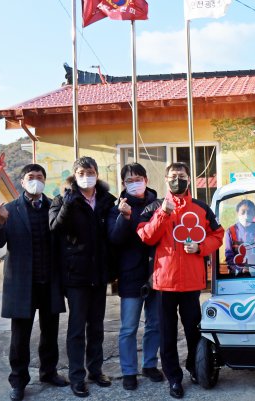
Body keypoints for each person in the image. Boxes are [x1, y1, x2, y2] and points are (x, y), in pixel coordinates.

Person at [136, 162, 224, 399]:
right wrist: (163, 213)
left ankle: (196, 368)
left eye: (182, 176)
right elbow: (146, 236)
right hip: (163, 282)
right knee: (167, 333)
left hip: (191, 282)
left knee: (194, 330)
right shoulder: (154, 206)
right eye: (173, 176)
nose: (177, 180)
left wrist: (201, 247)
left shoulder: (201, 208)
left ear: (189, 179)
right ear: (166, 180)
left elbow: (218, 234)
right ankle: (174, 378)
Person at [0, 164, 68, 401]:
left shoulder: (55, 207)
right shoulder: (9, 210)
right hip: (22, 284)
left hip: (50, 281)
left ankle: (49, 372)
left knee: (50, 332)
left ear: (45, 181)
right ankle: (18, 381)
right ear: (22, 182)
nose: (36, 181)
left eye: (40, 177)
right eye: (31, 177)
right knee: (20, 337)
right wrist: (0, 223)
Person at [49, 156, 117, 397]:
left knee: (96, 326)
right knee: (76, 329)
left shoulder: (108, 200)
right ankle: (77, 376)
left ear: (97, 174)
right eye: (81, 173)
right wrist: (68, 204)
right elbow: (55, 228)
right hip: (75, 275)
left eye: (90, 172)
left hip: (99, 274)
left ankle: (95, 371)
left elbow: (113, 236)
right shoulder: (62, 200)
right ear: (74, 176)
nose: (86, 176)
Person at [107, 163, 163, 390]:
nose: (135, 183)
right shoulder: (115, 208)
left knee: (155, 324)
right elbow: (114, 239)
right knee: (128, 327)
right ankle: (129, 370)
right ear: (123, 184)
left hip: (156, 273)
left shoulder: (159, 205)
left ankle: (150, 364)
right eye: (130, 180)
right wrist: (124, 217)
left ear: (146, 180)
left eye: (138, 178)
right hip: (130, 275)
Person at [225, 199, 255, 276]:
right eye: (243, 212)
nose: (246, 215)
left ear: (254, 214)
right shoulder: (230, 232)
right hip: (237, 275)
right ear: (237, 213)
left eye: (249, 212)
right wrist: (240, 268)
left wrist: (251, 268)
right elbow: (229, 255)